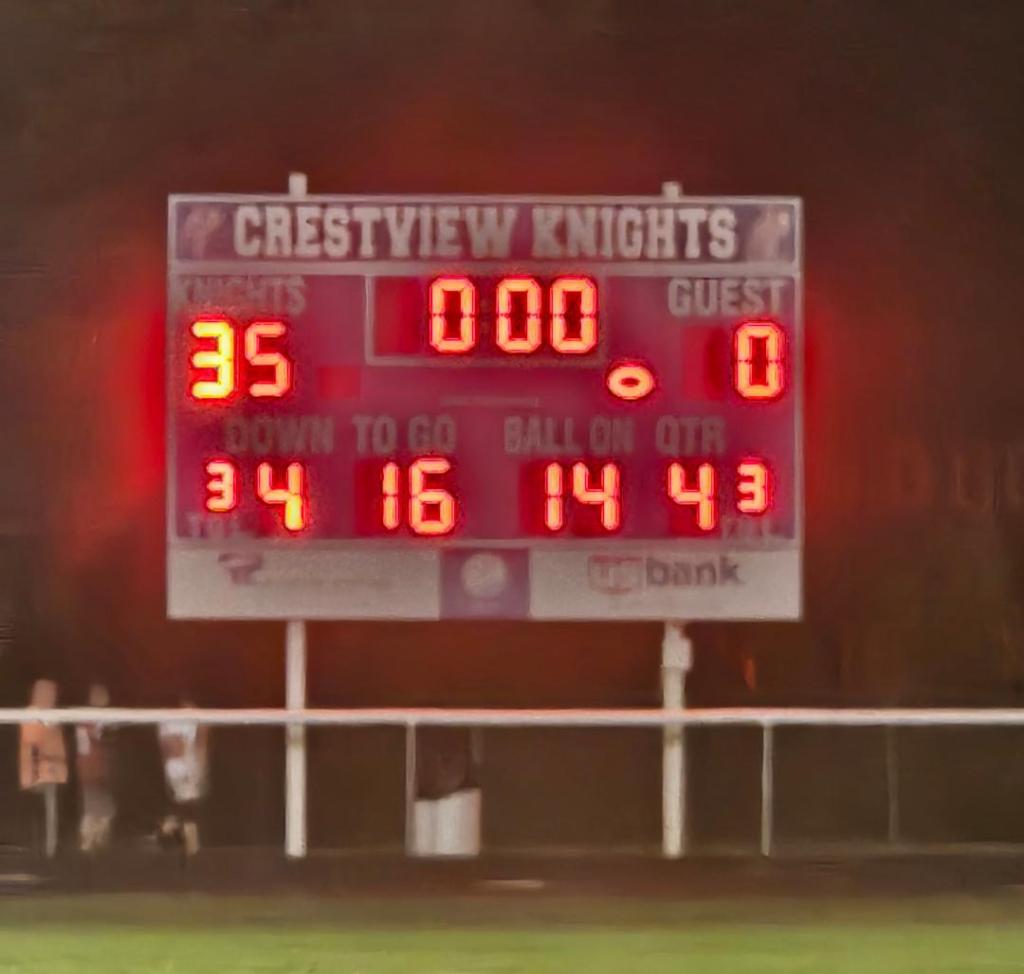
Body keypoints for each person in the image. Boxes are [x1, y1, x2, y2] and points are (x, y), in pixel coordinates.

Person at [19, 678, 69, 858]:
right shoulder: (32, 713)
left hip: (53, 771)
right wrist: (35, 771)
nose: (52, 696)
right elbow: (32, 744)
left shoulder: (52, 715)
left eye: (53, 692)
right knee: (41, 812)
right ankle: (44, 851)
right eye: (49, 692)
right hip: (41, 772)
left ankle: (48, 850)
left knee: (50, 812)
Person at [157, 698, 209, 858]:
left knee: (188, 807)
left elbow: (199, 744)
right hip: (179, 769)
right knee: (188, 808)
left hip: (187, 768)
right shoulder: (169, 721)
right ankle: (188, 845)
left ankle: (176, 834)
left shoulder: (194, 721)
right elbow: (171, 747)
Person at [74, 683, 116, 854]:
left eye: (104, 694)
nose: (102, 697)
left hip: (103, 769)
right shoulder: (84, 719)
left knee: (106, 809)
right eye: (98, 694)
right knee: (92, 807)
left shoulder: (108, 719)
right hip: (89, 769)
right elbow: (83, 747)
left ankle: (97, 841)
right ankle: (86, 843)